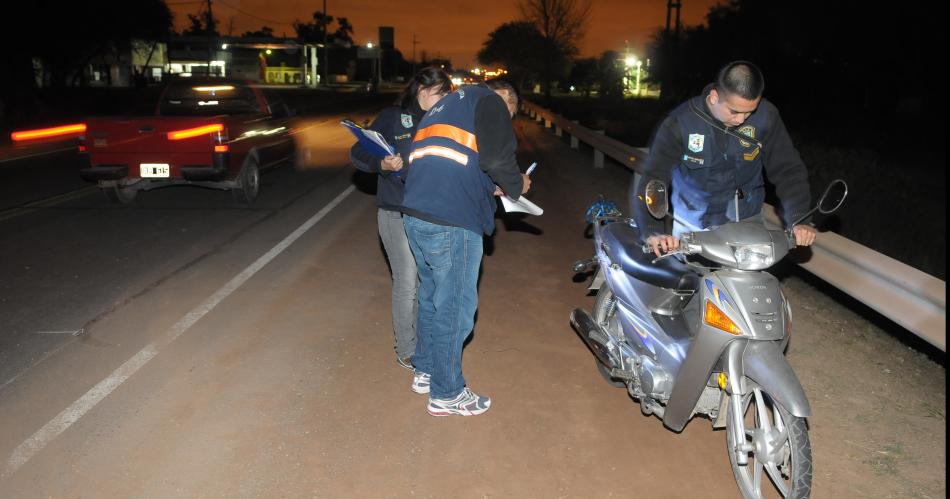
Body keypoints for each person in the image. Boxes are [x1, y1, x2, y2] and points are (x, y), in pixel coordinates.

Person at [400, 79, 530, 417]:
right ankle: (447, 392)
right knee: (454, 307)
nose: (508, 119)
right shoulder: (490, 102)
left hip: (417, 213)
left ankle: (426, 371)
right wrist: (517, 184)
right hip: (451, 220)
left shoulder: (447, 105)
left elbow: (456, 160)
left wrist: (492, 187)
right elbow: (499, 158)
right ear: (507, 98)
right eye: (511, 113)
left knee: (431, 298)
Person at [633, 60, 816, 256]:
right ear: (714, 97)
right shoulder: (680, 123)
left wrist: (798, 219)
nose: (741, 120)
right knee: (692, 284)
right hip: (692, 228)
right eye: (734, 111)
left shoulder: (766, 116)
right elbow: (654, 177)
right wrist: (652, 231)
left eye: (749, 112)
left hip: (747, 225)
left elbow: (788, 170)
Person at [350, 67, 453, 370]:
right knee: (407, 281)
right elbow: (359, 153)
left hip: (431, 214)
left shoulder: (442, 121)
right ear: (422, 90)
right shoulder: (393, 117)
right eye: (440, 93)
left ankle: (424, 342)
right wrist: (382, 162)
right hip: (396, 211)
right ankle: (407, 348)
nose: (443, 99)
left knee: (428, 282)